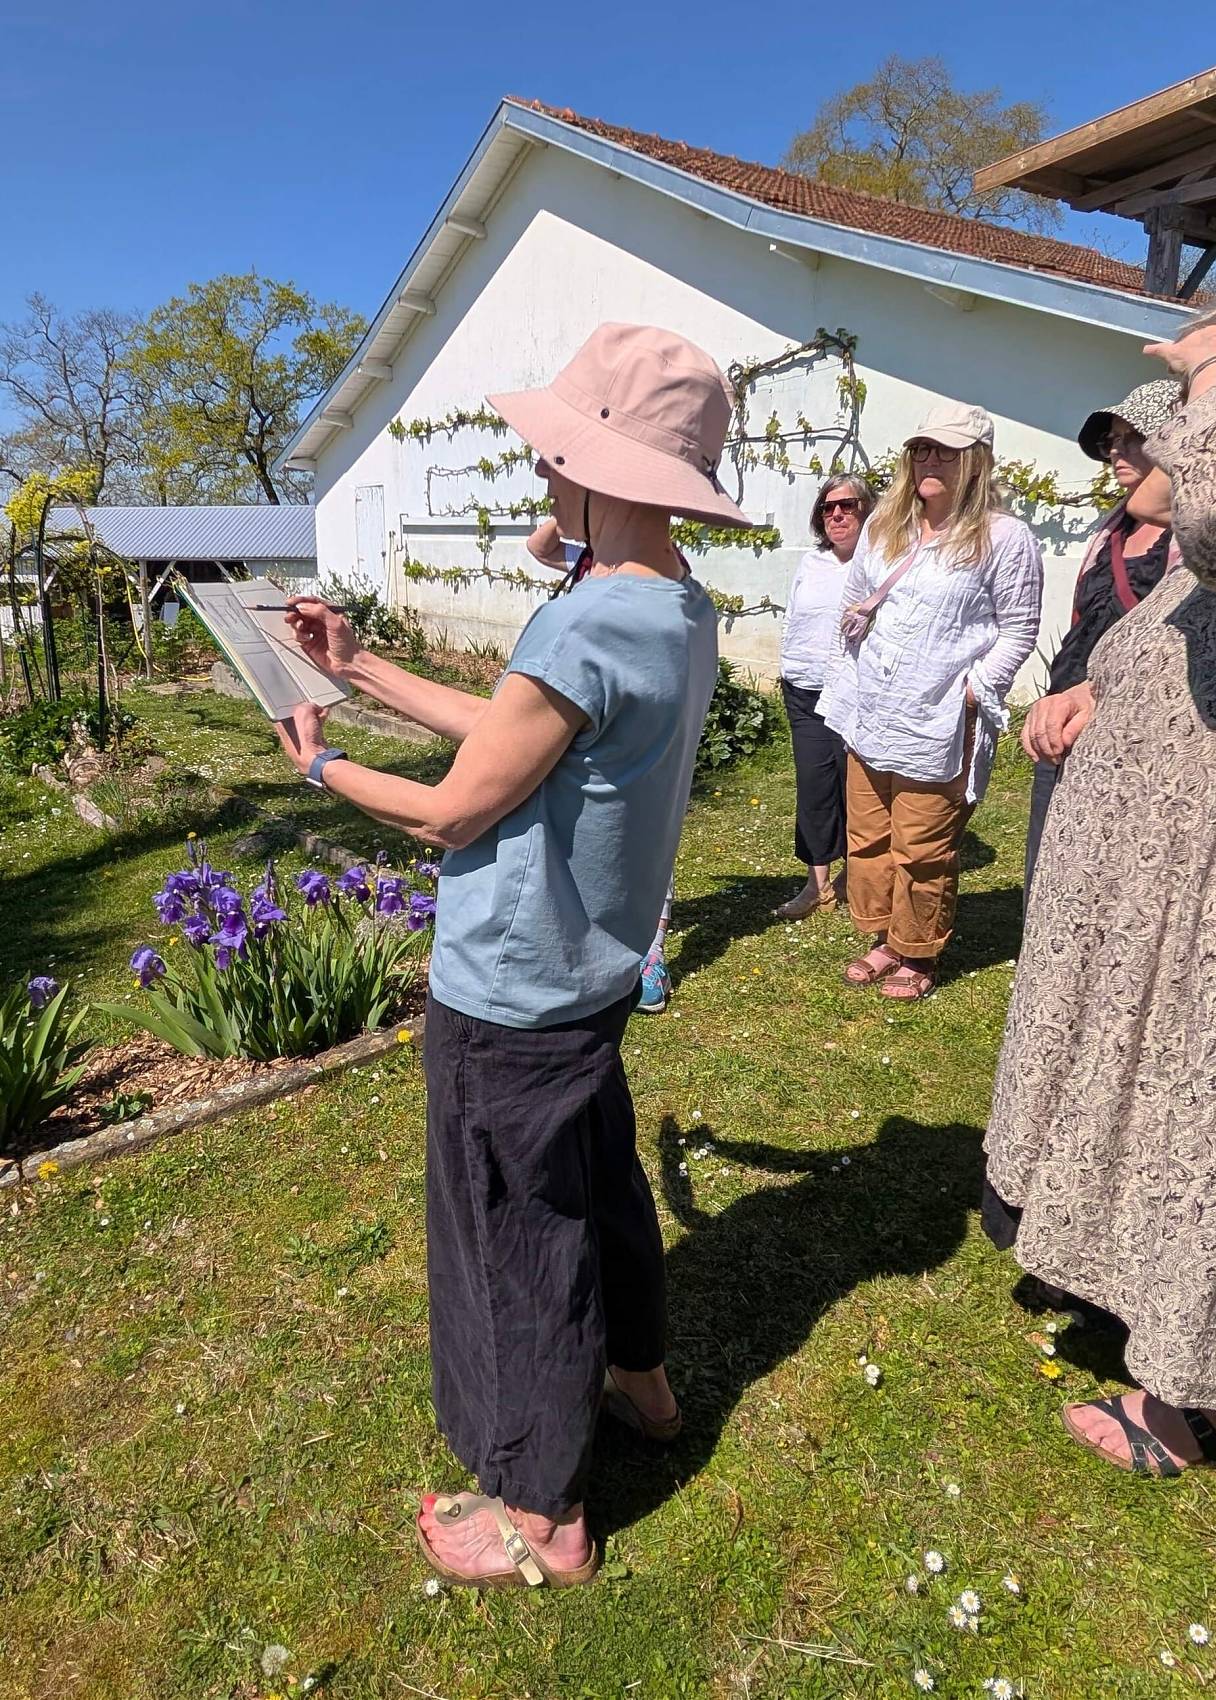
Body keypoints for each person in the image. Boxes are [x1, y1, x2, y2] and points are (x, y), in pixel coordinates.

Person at [272, 323, 752, 1586]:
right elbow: (514, 732)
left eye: (557, 452)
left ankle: (541, 1509)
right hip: (588, 981)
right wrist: (361, 663)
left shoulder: (585, 620)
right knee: (599, 1191)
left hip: (509, 993)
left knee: (513, 1239)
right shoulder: (675, 604)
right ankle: (641, 1383)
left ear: (600, 466)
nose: (543, 469)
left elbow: (451, 810)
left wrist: (321, 763)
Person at [984, 266, 1216, 1477]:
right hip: (1169, 886)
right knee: (1171, 1103)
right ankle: (1167, 1339)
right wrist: (1098, 690)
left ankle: (1202, 1405)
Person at [816, 403, 1042, 1000]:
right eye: (921, 449)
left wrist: (975, 688)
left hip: (937, 716)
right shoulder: (884, 526)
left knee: (921, 845)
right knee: (868, 837)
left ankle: (918, 951)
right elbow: (855, 600)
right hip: (873, 710)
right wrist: (850, 674)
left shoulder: (1004, 537)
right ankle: (886, 936)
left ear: (976, 461)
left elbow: (1019, 627)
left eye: (945, 450)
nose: (929, 460)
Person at [1021, 380, 1180, 901]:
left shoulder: (1192, 542)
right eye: (1113, 439)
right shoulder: (1109, 530)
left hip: (1136, 729)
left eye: (1132, 437)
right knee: (1047, 865)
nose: (1115, 450)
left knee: (1113, 875)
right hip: (1065, 721)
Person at [528, 514, 676, 1014]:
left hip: (633, 715)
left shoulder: (657, 565)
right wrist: (577, 506)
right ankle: (591, 943)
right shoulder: (590, 558)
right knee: (586, 832)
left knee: (648, 835)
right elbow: (539, 546)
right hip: (583, 709)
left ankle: (651, 956)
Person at [773, 475, 874, 920]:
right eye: (827, 508)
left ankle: (857, 876)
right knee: (814, 787)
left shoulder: (878, 563)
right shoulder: (811, 563)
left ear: (867, 511)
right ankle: (816, 885)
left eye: (847, 506)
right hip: (803, 690)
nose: (836, 515)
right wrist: (787, 665)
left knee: (856, 787)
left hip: (853, 692)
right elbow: (794, 618)